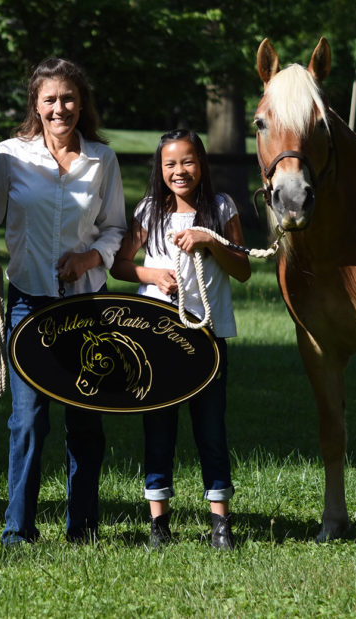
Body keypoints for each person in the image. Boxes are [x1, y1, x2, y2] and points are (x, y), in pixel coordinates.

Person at [0, 58, 126, 546]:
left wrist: (90, 258)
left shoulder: (103, 159)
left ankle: (83, 528)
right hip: (27, 307)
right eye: (51, 100)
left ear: (83, 103)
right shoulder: (11, 155)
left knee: (85, 421)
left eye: (69, 99)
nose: (61, 109)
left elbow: (116, 227)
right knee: (28, 419)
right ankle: (18, 529)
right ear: (36, 104)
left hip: (85, 307)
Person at [110, 129, 251, 550]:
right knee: (158, 429)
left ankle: (220, 522)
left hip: (206, 338)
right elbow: (120, 265)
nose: (179, 171)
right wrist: (153, 276)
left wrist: (210, 240)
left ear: (202, 163)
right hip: (157, 338)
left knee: (210, 428)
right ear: (160, 168)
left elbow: (243, 270)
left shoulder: (221, 208)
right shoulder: (150, 209)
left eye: (187, 161)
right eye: (170, 164)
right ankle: (159, 524)